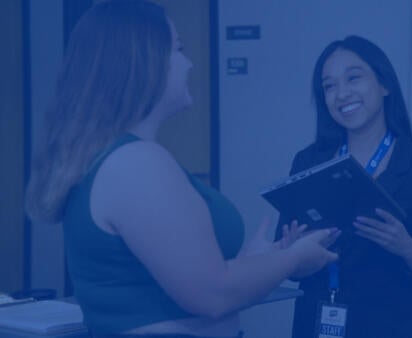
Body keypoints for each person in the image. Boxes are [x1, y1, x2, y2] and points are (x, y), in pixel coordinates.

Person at [25, 1, 339, 337]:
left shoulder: (123, 160)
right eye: (178, 49)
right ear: (144, 63)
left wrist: (258, 260)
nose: (189, 63)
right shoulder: (136, 165)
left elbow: (202, 280)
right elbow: (213, 296)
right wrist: (293, 260)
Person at [276, 36, 412, 338]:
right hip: (314, 325)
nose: (341, 93)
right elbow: (290, 266)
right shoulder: (308, 161)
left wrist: (408, 248)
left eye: (353, 78)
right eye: (329, 86)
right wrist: (294, 255)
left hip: (390, 328)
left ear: (385, 85)